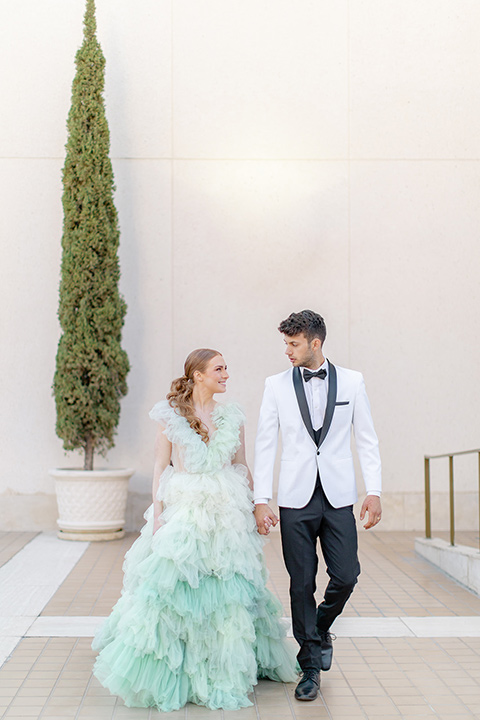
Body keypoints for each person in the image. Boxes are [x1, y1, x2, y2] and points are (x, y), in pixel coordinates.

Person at [92, 348, 298, 712]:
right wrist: (158, 515)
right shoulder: (171, 416)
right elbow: (159, 467)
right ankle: (176, 670)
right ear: (198, 375)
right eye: (219, 369)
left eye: (226, 368)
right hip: (185, 509)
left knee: (227, 592)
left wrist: (258, 506)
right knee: (174, 590)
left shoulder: (232, 415)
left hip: (226, 512)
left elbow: (242, 465)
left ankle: (221, 666)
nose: (226, 375)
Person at [253, 310, 382, 701]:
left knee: (346, 576)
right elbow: (265, 443)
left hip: (339, 496)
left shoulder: (353, 381)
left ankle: (320, 627)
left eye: (294, 344)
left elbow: (367, 439)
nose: (287, 352)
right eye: (285, 344)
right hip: (295, 498)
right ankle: (310, 665)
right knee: (301, 583)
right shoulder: (275, 386)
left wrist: (373, 491)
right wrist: (261, 500)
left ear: (315, 343)